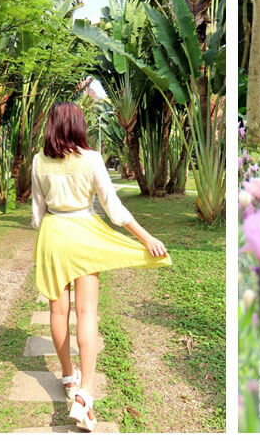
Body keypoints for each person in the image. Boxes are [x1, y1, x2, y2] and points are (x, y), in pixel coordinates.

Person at [31, 101, 172, 431]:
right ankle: (85, 393)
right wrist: (146, 237)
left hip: (53, 234)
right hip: (84, 235)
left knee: (57, 312)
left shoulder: (39, 161)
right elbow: (114, 208)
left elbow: (37, 214)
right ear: (79, 125)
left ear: (52, 125)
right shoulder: (91, 159)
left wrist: (50, 233)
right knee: (87, 313)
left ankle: (67, 378)